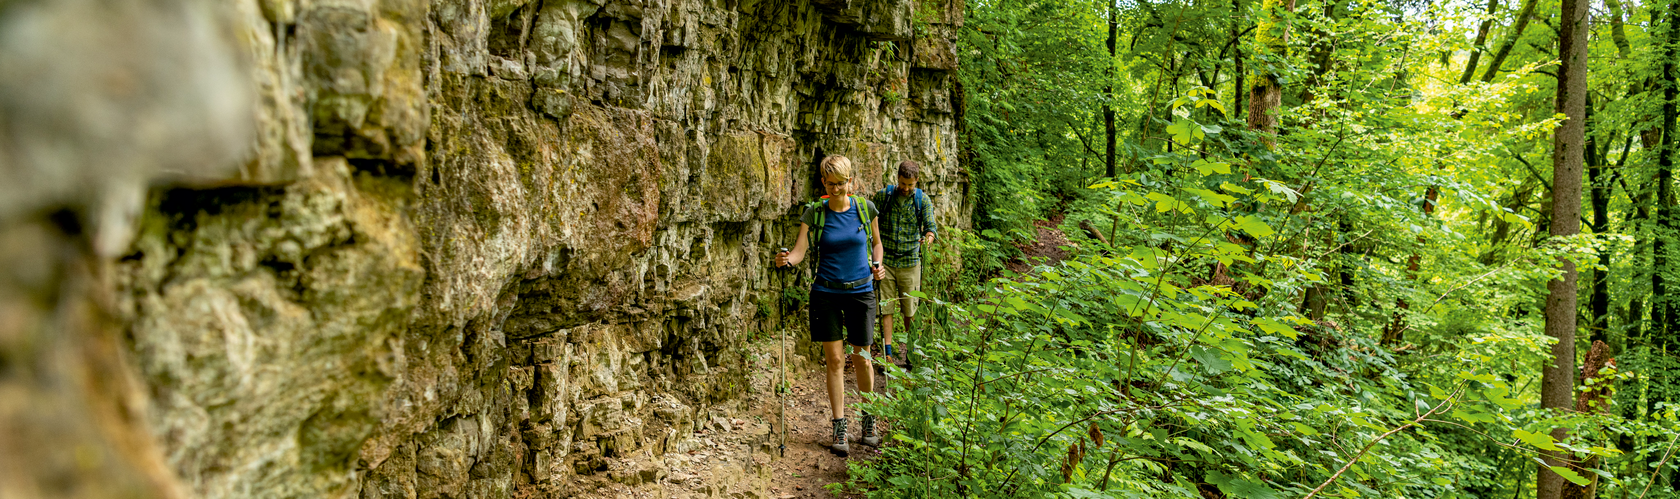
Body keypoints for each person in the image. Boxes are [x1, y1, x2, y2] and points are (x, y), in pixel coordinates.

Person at [774, 155, 887, 456]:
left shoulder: (865, 209)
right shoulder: (814, 213)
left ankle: (869, 419)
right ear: (823, 182)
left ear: (850, 181)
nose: (836, 189)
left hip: (861, 290)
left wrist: (878, 265)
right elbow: (799, 251)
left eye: (841, 183)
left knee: (862, 357)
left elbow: (876, 243)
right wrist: (787, 261)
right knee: (835, 360)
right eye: (830, 184)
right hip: (826, 292)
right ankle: (839, 425)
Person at [871, 161, 937, 369]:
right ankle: (887, 354)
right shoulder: (883, 196)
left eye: (910, 185)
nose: (906, 188)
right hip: (886, 261)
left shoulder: (922, 200)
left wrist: (927, 240)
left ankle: (911, 352)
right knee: (886, 308)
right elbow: (870, 221)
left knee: (910, 310)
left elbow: (930, 228)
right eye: (902, 183)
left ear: (916, 181)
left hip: (910, 262)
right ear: (897, 178)